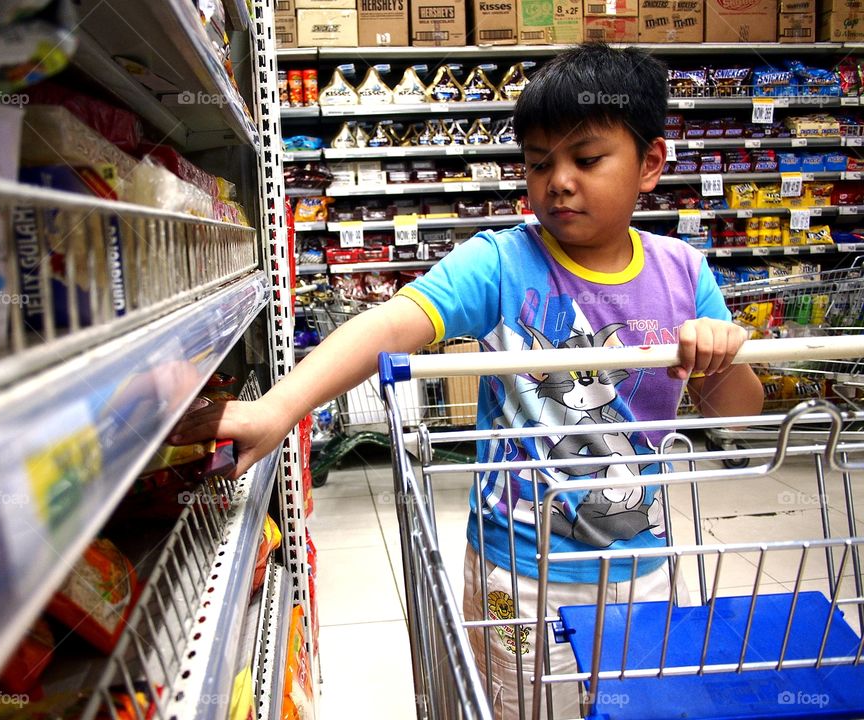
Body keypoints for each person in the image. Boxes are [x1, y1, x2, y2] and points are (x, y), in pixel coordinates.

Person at [173, 43, 765, 719]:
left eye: (586, 158)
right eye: (539, 163)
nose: (558, 181)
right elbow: (392, 325)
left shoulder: (684, 274)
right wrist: (278, 409)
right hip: (517, 574)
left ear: (650, 164)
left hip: (644, 567)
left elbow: (739, 413)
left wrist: (722, 355)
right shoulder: (500, 262)